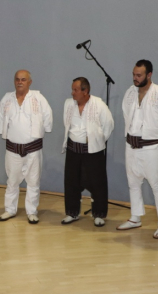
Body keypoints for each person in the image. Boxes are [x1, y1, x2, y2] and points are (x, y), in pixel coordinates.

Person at [118, 60, 158, 237]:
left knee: (157, 185)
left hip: (151, 147)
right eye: (134, 74)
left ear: (149, 75)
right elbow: (126, 115)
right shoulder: (130, 92)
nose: (135, 78)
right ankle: (135, 217)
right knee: (133, 183)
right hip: (131, 145)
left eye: (139, 75)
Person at [0, 70, 53, 224]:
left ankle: (32, 211)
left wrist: (45, 129)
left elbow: (48, 116)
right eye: (17, 79)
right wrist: (3, 132)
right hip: (13, 148)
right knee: (12, 180)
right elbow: (1, 117)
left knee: (33, 181)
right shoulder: (7, 99)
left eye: (23, 79)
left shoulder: (38, 98)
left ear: (30, 82)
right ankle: (10, 209)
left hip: (33, 149)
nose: (19, 82)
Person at [61, 77, 114, 226]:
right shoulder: (68, 104)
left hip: (93, 151)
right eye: (72, 89)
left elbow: (108, 125)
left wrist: (98, 142)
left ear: (85, 91)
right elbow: (66, 123)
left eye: (75, 90)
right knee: (71, 182)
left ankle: (98, 214)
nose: (72, 93)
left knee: (97, 183)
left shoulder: (98, 104)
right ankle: (72, 213)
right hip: (73, 149)